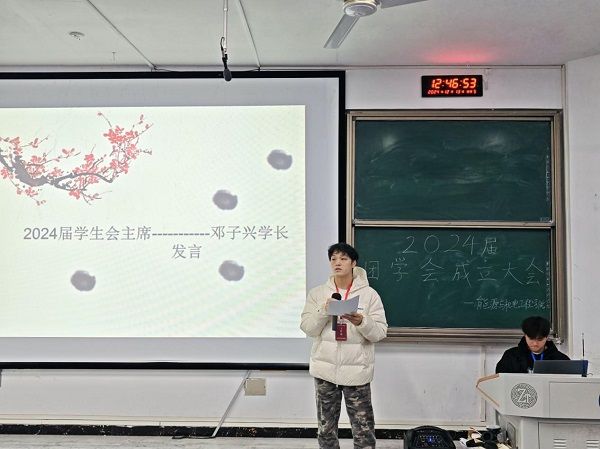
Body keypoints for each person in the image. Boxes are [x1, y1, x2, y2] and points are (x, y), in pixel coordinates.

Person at [300, 243, 388, 449]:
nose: (337, 263)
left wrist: (362, 321)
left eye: (343, 258)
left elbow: (379, 332)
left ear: (354, 263)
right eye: (333, 259)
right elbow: (308, 328)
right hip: (325, 371)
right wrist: (324, 310)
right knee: (326, 429)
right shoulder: (318, 293)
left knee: (363, 429)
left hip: (357, 372)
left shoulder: (369, 295)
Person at [495, 316, 569, 373]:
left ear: (546, 337)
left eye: (540, 339)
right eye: (531, 339)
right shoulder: (511, 356)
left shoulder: (561, 359)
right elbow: (500, 380)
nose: (535, 343)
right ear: (525, 335)